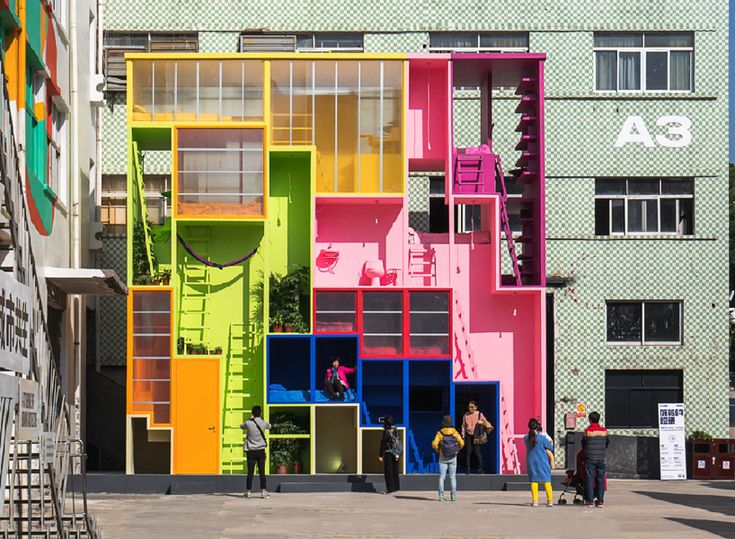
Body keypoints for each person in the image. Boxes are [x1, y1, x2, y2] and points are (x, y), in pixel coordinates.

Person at [432, 415, 465, 502]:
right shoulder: (455, 432)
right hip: (453, 457)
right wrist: (457, 450)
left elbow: (434, 444)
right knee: (453, 477)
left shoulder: (440, 433)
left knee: (442, 477)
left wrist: (438, 451)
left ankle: (441, 496)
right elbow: (462, 443)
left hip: (443, 457)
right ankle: (453, 496)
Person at [240, 405, 271, 499]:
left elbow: (241, 426)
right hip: (261, 451)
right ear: (260, 413)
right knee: (262, 472)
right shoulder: (263, 423)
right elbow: (270, 426)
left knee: (250, 472)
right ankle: (263, 492)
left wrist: (250, 419)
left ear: (252, 413)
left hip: (251, 451)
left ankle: (248, 492)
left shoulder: (248, 423)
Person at [524, 418, 554, 507]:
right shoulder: (542, 438)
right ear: (537, 426)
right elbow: (550, 448)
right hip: (543, 461)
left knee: (534, 481)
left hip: (531, 462)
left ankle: (535, 501)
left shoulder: (525, 438)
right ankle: (550, 501)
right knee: (547, 480)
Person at [582, 411, 609, 508]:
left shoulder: (587, 431)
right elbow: (607, 443)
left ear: (590, 420)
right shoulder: (604, 431)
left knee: (589, 479)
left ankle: (590, 501)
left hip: (590, 458)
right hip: (601, 458)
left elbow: (583, 444)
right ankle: (600, 501)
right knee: (600, 479)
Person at [461, 400, 492, 474]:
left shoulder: (479, 414)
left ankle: (481, 469)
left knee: (477, 452)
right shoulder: (466, 415)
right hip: (468, 434)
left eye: (472, 407)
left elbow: (487, 423)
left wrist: (481, 422)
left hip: (476, 435)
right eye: (469, 407)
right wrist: (463, 435)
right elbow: (463, 426)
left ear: (476, 407)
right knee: (468, 452)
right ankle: (467, 469)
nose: (470, 408)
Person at [378, 415, 401, 494]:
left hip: (389, 452)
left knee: (388, 471)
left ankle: (390, 489)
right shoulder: (395, 429)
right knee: (395, 470)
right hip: (396, 452)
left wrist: (380, 455)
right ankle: (396, 487)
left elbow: (383, 443)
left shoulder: (386, 431)